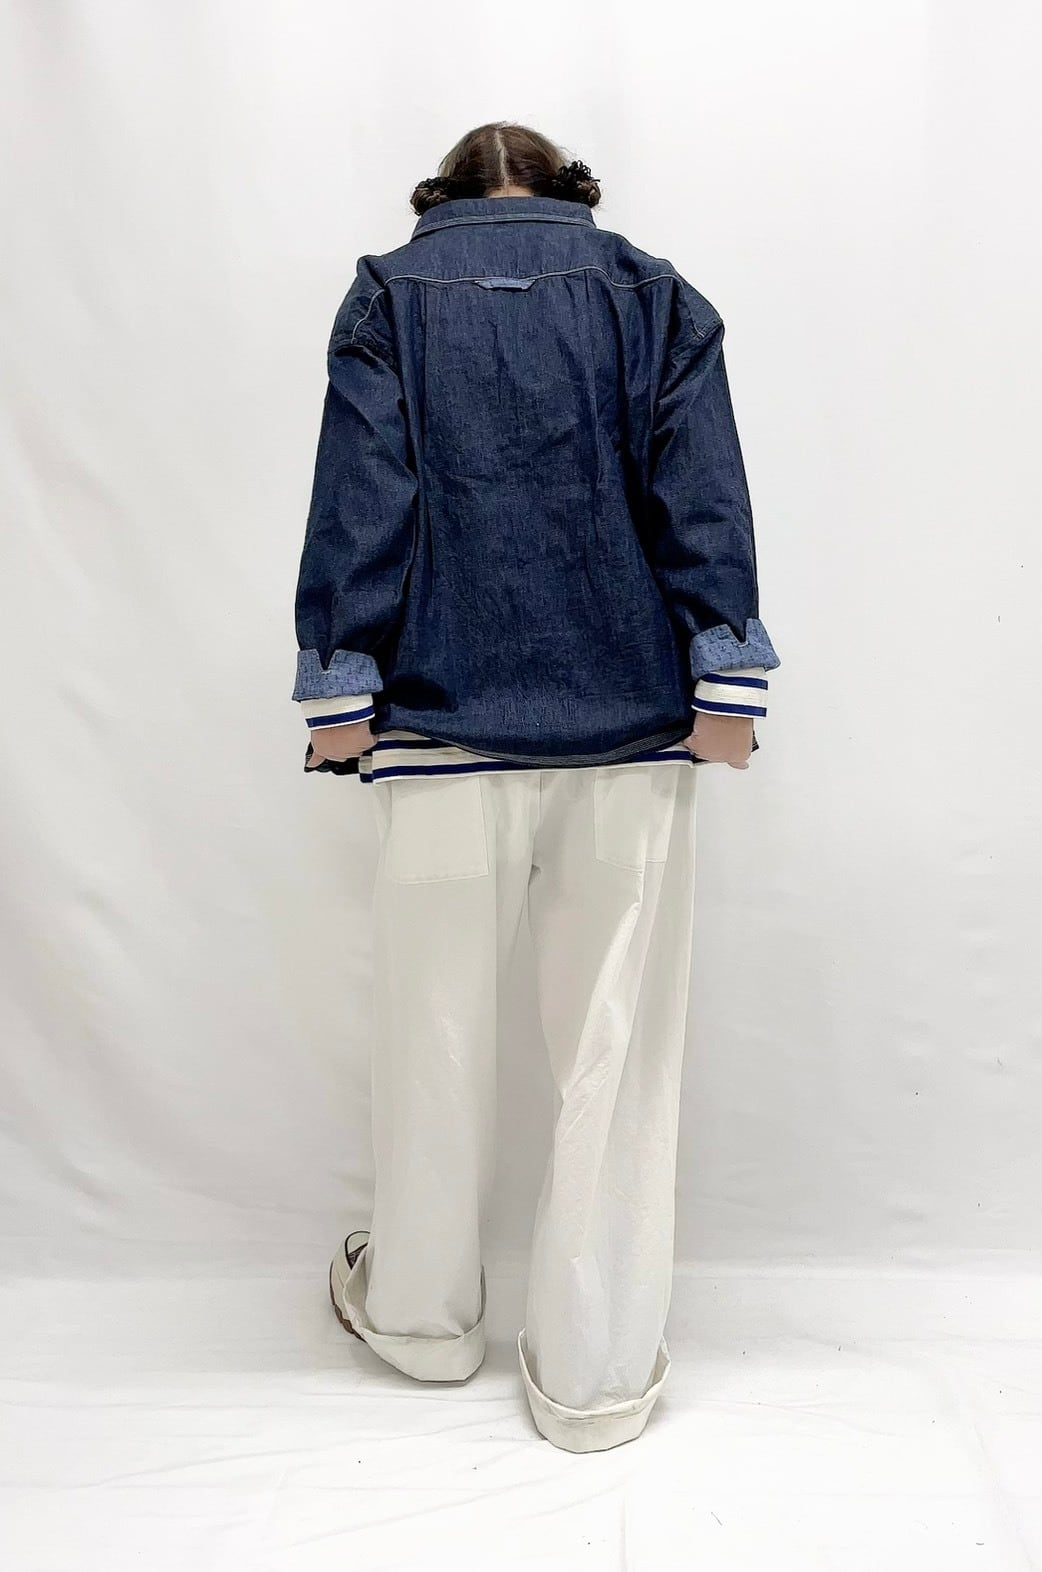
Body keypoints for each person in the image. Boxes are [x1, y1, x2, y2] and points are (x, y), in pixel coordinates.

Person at [292, 122, 780, 1452]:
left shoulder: (391, 294)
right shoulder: (653, 293)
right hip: (632, 726)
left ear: (442, 196)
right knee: (617, 1052)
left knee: (431, 1033)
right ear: (569, 191)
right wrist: (727, 681)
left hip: (437, 722)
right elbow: (703, 498)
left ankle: (420, 1321)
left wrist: (340, 690)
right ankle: (594, 1376)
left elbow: (363, 496)